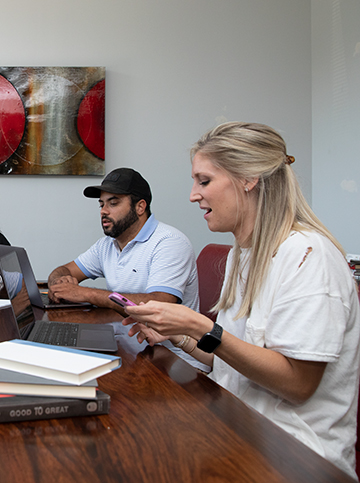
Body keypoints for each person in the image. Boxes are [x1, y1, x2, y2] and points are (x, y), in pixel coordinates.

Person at [123, 122, 359, 477]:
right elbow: (232, 358)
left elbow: (298, 384)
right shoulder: (242, 254)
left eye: (204, 181)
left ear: (249, 178)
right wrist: (178, 335)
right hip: (239, 433)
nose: (192, 194)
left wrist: (199, 324)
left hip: (296, 458)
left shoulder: (309, 256)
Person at [48, 167, 199, 313]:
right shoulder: (106, 245)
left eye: (113, 203)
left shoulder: (170, 242)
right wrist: (59, 284)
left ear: (140, 207)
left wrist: (86, 294)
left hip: (163, 339)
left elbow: (159, 304)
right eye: (101, 204)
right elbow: (64, 270)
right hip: (123, 334)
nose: (103, 211)